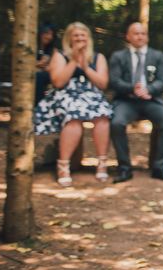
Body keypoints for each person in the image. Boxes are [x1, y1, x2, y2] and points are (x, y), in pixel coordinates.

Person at [33, 22, 112, 186]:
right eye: (76, 36)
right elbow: (58, 82)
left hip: (91, 94)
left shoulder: (98, 57)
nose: (79, 39)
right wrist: (74, 60)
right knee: (73, 117)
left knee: (103, 116)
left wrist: (85, 67)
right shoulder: (60, 55)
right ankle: (63, 165)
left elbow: (103, 84)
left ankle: (102, 163)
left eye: (83, 36)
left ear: (88, 38)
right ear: (69, 39)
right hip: (66, 94)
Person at [109, 22, 163, 183]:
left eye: (143, 33)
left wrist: (149, 90)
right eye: (136, 33)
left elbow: (162, 81)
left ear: (147, 37)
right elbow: (114, 81)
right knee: (116, 123)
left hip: (150, 100)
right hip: (126, 101)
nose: (140, 36)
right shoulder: (118, 56)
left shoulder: (157, 56)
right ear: (128, 36)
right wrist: (133, 88)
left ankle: (160, 167)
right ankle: (124, 168)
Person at [35, 23, 57, 104]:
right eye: (46, 33)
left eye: (51, 34)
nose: (49, 37)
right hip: (33, 74)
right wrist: (38, 63)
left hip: (48, 73)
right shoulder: (32, 46)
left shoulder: (52, 49)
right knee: (39, 77)